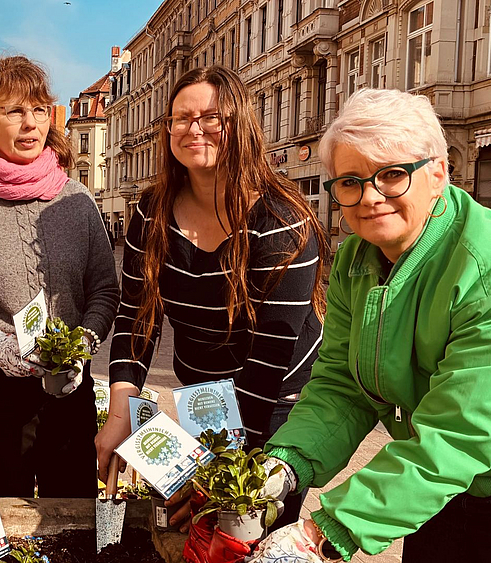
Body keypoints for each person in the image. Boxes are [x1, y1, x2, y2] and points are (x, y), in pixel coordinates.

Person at [248, 88, 491, 563]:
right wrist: (286, 463)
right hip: (445, 476)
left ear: (437, 174)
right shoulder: (358, 256)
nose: (370, 197)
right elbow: (341, 384)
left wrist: (326, 531)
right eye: (350, 181)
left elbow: (460, 431)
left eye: (392, 175)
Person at [95, 65, 326, 530]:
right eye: (181, 118)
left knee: (247, 534)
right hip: (203, 395)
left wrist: (216, 471)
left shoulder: (281, 219)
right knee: (190, 534)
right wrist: (120, 410)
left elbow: (268, 359)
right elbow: (137, 318)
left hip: (277, 401)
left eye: (211, 117)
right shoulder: (150, 211)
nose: (194, 129)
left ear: (238, 123)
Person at [0, 56, 119, 498]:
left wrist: (86, 340)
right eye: (14, 111)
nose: (30, 123)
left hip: (67, 394)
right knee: (5, 528)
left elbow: (105, 291)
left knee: (70, 519)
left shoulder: (78, 200)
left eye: (38, 110)